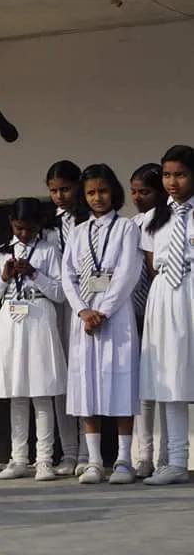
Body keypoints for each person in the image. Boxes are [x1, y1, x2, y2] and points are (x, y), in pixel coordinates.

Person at [61, 164, 142, 485]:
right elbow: (67, 275)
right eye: (91, 192)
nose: (97, 198)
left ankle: (123, 459)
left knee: (121, 381)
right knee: (86, 385)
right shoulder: (79, 232)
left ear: (115, 192)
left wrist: (104, 311)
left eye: (103, 191)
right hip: (84, 316)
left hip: (115, 314)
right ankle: (94, 460)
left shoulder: (126, 228)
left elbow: (128, 272)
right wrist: (82, 310)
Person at [0, 198, 66, 482]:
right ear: (11, 224)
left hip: (39, 315)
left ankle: (44, 459)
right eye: (19, 228)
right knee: (16, 392)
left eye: (29, 229)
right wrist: (4, 277)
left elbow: (60, 292)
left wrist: (34, 273)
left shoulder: (48, 250)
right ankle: (18, 458)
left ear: (39, 226)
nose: (23, 234)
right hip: (10, 317)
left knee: (41, 392)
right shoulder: (1, 253)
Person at [139, 146, 194, 485]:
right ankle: (176, 459)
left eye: (181, 174)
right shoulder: (152, 217)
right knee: (170, 373)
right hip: (166, 294)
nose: (172, 182)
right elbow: (151, 264)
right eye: (167, 175)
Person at [45, 160, 90, 476]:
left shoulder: (90, 221)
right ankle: (69, 453)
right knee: (61, 378)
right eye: (53, 190)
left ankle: (89, 453)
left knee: (84, 375)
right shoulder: (46, 224)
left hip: (86, 302)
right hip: (54, 305)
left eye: (65, 189)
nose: (59, 196)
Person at [128, 163, 168, 478]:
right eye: (134, 191)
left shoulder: (166, 222)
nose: (138, 197)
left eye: (145, 191)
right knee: (143, 389)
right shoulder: (133, 224)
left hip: (162, 307)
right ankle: (145, 456)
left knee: (165, 385)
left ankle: (167, 454)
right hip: (135, 311)